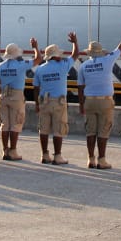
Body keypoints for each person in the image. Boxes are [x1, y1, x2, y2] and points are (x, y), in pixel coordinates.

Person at [77, 22, 121, 169]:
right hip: (105, 101)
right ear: (100, 51)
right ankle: (102, 160)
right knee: (103, 131)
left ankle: (91, 159)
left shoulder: (83, 66)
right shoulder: (107, 60)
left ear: (89, 53)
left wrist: (81, 105)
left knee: (90, 131)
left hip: (89, 101)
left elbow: (80, 87)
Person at [30, 32, 79, 164]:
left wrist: (36, 104)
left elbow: (35, 87)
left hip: (44, 102)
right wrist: (74, 42)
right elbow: (75, 55)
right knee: (59, 129)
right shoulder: (62, 66)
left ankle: (45, 155)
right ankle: (57, 156)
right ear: (55, 56)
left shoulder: (39, 69)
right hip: (59, 102)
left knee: (43, 129)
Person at [0, 42, 31, 160]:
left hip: (3, 95)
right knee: (16, 124)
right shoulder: (21, 65)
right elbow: (38, 60)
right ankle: (13, 151)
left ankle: (5, 150)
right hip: (16, 96)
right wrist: (35, 47)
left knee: (5, 125)